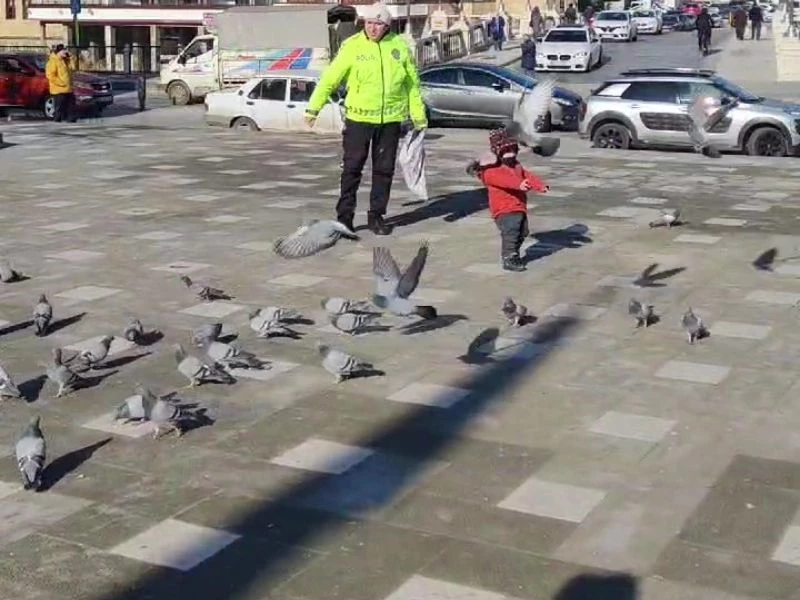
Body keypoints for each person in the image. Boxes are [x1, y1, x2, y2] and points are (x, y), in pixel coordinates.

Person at [303, 2, 427, 236]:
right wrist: (313, 109)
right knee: (352, 169)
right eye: (369, 23)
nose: (373, 28)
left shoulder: (399, 46)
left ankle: (376, 215)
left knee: (384, 170)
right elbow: (330, 79)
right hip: (358, 120)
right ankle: (345, 218)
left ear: (387, 26)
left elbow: (412, 85)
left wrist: (418, 115)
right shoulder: (352, 46)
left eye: (378, 24)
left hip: (389, 120)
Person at [467, 129, 550, 272]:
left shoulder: (516, 165)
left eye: (513, 149)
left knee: (523, 231)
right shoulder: (491, 170)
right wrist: (519, 184)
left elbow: (526, 175)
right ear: (498, 152)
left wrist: (539, 185)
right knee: (511, 231)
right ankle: (509, 257)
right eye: (506, 150)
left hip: (519, 206)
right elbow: (504, 180)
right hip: (504, 208)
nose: (510, 153)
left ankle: (514, 253)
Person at [45, 44, 76, 123]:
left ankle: (71, 119)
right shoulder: (53, 61)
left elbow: (73, 68)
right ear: (58, 52)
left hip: (68, 88)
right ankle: (57, 120)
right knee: (59, 107)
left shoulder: (66, 60)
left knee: (71, 105)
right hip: (59, 89)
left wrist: (71, 59)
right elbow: (51, 75)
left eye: (65, 50)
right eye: (63, 51)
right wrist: (61, 83)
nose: (65, 52)